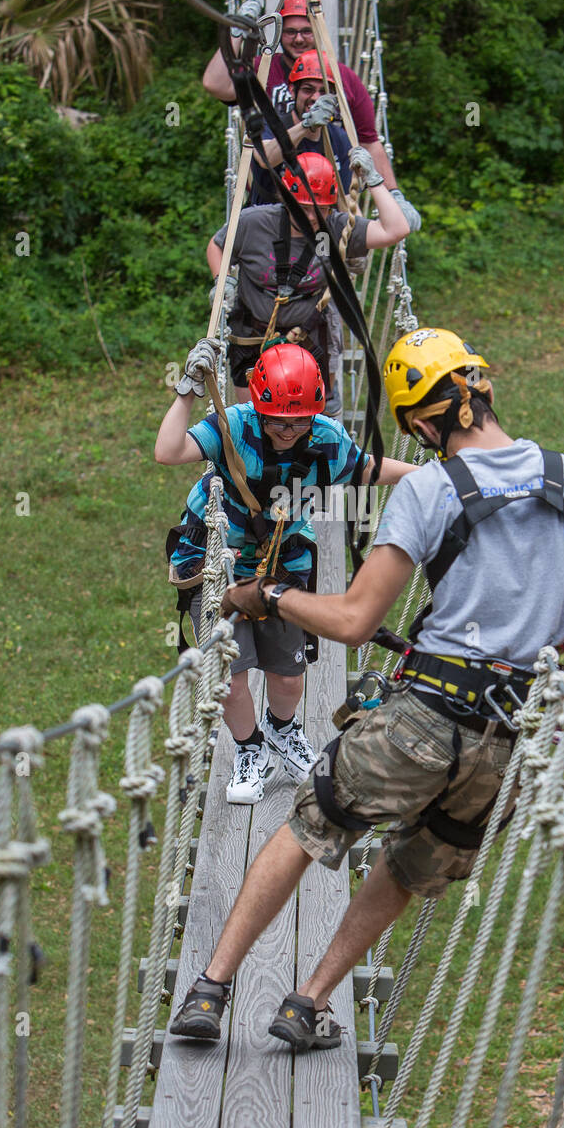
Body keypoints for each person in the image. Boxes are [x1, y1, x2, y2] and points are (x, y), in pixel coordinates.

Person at [169, 327, 564, 1048]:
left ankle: (211, 987)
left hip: (423, 717)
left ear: (420, 422)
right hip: (505, 739)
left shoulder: (427, 488)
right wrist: (556, 633)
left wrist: (273, 599)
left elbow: (354, 621)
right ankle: (307, 1002)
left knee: (310, 824)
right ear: (481, 389)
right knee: (408, 863)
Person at [156, 339, 415, 805]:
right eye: (278, 419)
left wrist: (421, 475)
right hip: (216, 563)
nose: (288, 430)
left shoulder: (325, 437)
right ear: (258, 405)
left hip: (282, 565)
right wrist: (187, 390)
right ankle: (249, 748)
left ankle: (281, 731)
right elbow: (168, 451)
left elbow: (364, 469)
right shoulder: (234, 426)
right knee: (230, 676)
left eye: (299, 419)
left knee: (289, 675)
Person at [202, 0, 421, 233]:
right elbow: (215, 83)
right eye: (291, 31)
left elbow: (369, 142)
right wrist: (237, 32)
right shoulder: (263, 70)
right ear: (293, 90)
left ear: (318, 31)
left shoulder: (344, 80)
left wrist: (394, 195)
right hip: (273, 200)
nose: (298, 39)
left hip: (327, 208)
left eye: (307, 31)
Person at [207, 147, 408, 410]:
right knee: (254, 417)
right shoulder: (253, 222)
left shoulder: (337, 227)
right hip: (253, 334)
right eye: (302, 208)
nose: (311, 217)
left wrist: (374, 179)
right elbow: (217, 245)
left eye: (320, 209)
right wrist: (222, 280)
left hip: (310, 332)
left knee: (309, 414)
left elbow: (397, 230)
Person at [249, 50, 353, 205]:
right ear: (292, 91)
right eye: (308, 90)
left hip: (317, 224)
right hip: (269, 221)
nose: (316, 98)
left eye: (324, 92)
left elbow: (345, 202)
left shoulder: (339, 139)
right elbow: (267, 159)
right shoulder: (268, 124)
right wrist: (306, 126)